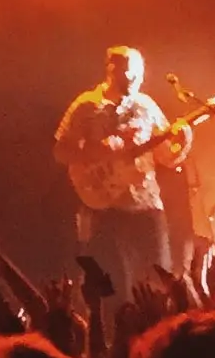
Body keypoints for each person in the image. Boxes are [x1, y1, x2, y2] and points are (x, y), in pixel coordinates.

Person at [52, 46, 180, 298]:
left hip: (146, 205)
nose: (135, 80)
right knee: (113, 289)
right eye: (129, 74)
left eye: (139, 75)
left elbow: (167, 156)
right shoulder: (86, 105)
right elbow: (61, 151)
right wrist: (98, 152)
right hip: (104, 207)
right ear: (112, 71)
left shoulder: (147, 106)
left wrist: (183, 143)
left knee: (159, 282)